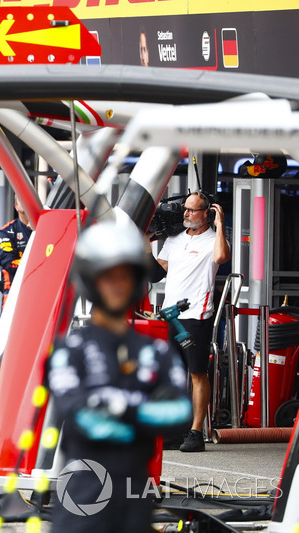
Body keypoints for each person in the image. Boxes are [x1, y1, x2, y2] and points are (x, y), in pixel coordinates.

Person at [46, 221, 192, 532]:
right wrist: (144, 414)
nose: (117, 284)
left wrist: (115, 406)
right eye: (107, 276)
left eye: (125, 276)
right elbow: (80, 417)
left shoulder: (158, 351)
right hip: (83, 502)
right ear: (90, 281)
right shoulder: (68, 351)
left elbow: (180, 414)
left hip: (137, 502)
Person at [154, 191, 230, 452]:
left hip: (196, 316)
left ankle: (196, 432)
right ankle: (173, 431)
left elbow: (221, 258)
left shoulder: (213, 240)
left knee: (197, 373)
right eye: (185, 209)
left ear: (206, 213)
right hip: (169, 316)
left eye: (192, 210)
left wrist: (220, 225)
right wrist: (144, 240)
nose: (186, 213)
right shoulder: (174, 240)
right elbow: (155, 273)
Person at [0, 195, 33, 307]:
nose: (25, 201)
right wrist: (35, 264)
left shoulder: (43, 227)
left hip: (40, 289)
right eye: (21, 199)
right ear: (16, 206)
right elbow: (8, 263)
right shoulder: (6, 232)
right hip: (13, 292)